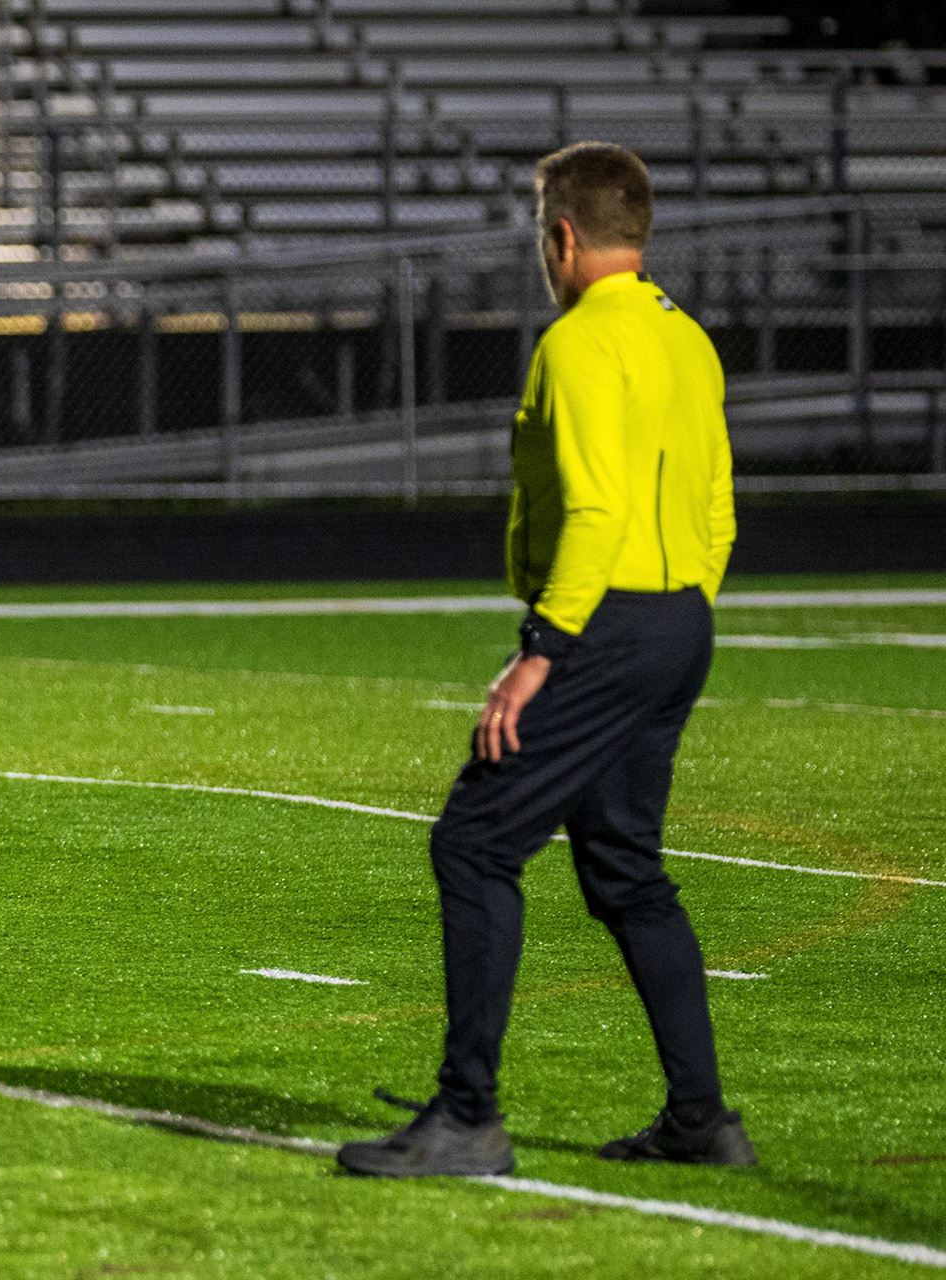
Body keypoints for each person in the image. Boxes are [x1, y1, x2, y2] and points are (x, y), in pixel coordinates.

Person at [336, 143, 748, 1176]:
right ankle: (702, 1119)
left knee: (474, 844)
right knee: (625, 867)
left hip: (604, 624)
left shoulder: (576, 343)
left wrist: (543, 650)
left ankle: (467, 1117)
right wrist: (681, 608)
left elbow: (597, 510)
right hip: (679, 619)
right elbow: (717, 504)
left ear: (562, 236)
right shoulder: (687, 338)